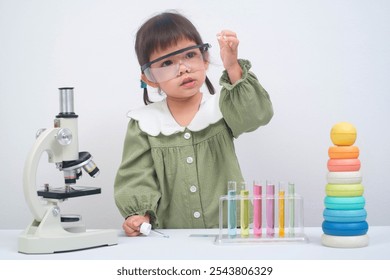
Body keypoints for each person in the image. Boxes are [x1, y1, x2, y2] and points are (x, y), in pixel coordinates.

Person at [114, 11, 273, 236]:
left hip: (230, 232)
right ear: (149, 78)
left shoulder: (222, 107)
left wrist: (232, 66)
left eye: (189, 55)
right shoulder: (145, 123)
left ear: (205, 59)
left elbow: (258, 114)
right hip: (171, 238)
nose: (183, 68)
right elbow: (136, 176)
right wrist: (139, 214)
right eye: (167, 62)